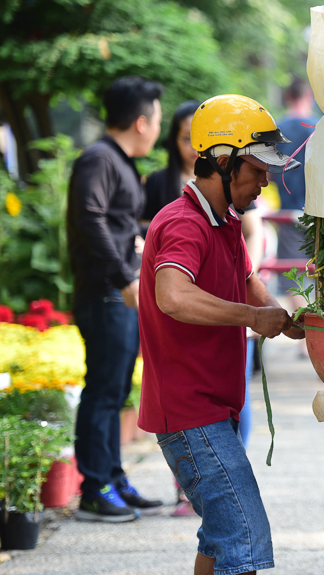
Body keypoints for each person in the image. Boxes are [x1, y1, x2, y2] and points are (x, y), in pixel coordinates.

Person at [137, 94, 304, 575]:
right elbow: (173, 296)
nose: (266, 180)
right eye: (258, 169)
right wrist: (252, 319)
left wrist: (285, 318)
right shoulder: (183, 223)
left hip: (212, 408)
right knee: (243, 536)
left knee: (219, 538)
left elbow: (248, 282)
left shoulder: (225, 221)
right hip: (191, 414)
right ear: (224, 163)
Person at [67, 75, 165, 522]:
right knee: (104, 391)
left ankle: (113, 476)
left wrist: (139, 243)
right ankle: (94, 487)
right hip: (107, 293)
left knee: (116, 389)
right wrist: (125, 276)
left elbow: (116, 223)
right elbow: (89, 219)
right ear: (142, 121)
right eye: (159, 119)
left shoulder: (118, 161)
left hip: (118, 292)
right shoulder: (99, 159)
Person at [274, 78, 317, 303]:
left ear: (288, 97)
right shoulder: (319, 128)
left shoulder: (277, 130)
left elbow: (268, 172)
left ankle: (303, 334)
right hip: (319, 212)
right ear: (308, 96)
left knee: (294, 281)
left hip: (287, 213)